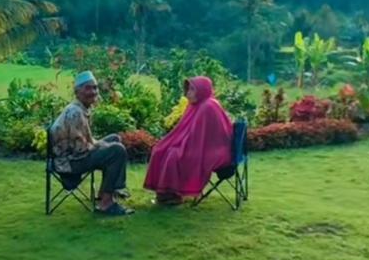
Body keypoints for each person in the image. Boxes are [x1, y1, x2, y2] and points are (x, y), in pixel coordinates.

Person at [50, 71, 134, 217]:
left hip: (74, 156)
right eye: (88, 88)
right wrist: (102, 147)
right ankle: (106, 203)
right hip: (70, 163)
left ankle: (106, 192)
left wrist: (101, 144)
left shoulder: (81, 108)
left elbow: (86, 141)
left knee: (114, 139)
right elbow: (80, 149)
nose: (93, 92)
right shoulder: (75, 112)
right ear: (77, 92)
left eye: (95, 88)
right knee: (117, 150)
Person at [144, 76, 233, 205]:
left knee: (173, 156)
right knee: (160, 149)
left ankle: (172, 195)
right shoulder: (196, 106)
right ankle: (165, 194)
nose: (188, 94)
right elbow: (185, 131)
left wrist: (180, 145)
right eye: (188, 89)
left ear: (202, 90)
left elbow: (204, 138)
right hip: (199, 145)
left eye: (192, 89)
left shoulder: (208, 106)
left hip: (213, 150)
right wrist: (175, 142)